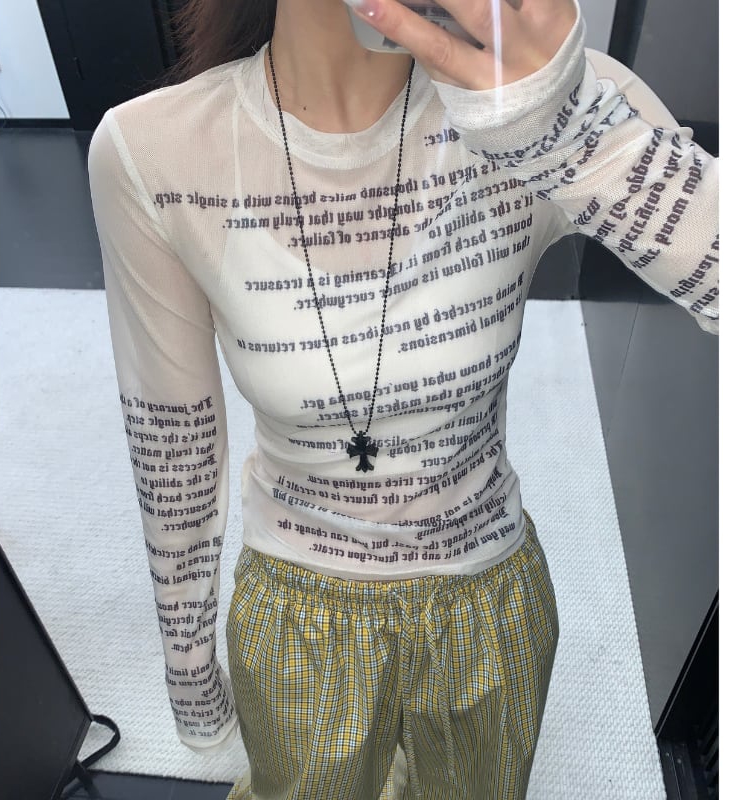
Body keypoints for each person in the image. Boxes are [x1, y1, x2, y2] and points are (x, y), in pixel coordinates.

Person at [87, 0, 718, 797]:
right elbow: (174, 442)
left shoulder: (553, 97)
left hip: (489, 594)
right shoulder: (156, 148)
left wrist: (566, 134)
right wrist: (190, 670)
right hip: (299, 607)